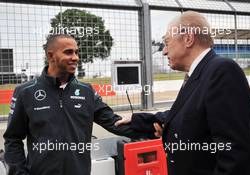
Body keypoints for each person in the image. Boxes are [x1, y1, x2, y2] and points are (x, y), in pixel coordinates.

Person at [116, 11, 250, 175]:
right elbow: (189, 115)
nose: (164, 51)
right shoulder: (201, 73)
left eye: (167, 42)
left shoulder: (222, 71)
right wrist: (138, 119)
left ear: (188, 39)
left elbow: (236, 155)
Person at [3, 34, 148, 175]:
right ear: (50, 56)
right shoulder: (25, 92)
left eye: (77, 52)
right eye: (68, 52)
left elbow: (113, 122)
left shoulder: (87, 91)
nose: (75, 58)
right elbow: (13, 139)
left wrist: (152, 127)